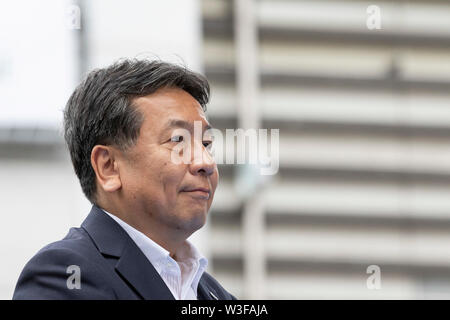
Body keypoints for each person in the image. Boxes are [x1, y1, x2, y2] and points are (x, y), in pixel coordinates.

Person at [13, 59, 236, 300]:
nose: (206, 162)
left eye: (206, 144)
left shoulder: (216, 295)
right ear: (108, 167)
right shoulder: (63, 275)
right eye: (178, 141)